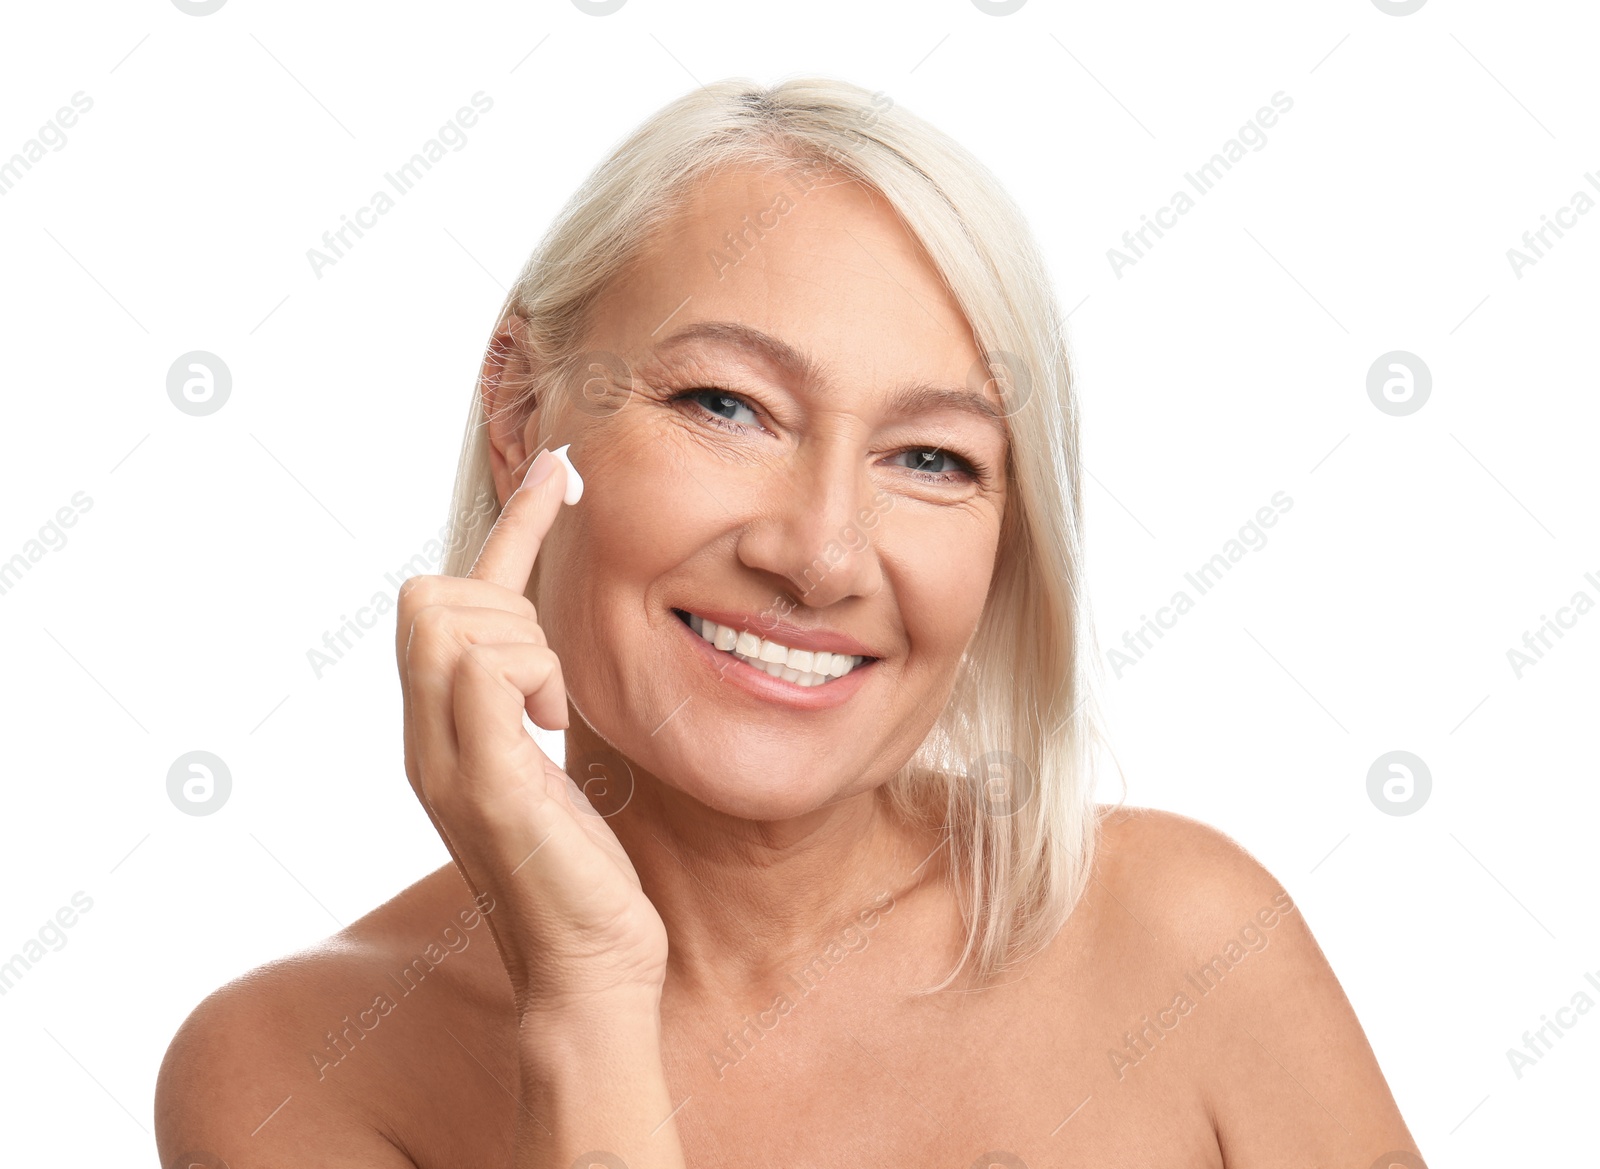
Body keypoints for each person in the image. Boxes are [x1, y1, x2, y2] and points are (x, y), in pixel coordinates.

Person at [155, 77, 1422, 1168]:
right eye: (725, 404)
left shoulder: (1189, 945)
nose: (819, 554)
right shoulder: (292, 1070)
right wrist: (587, 994)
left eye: (930, 458)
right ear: (521, 409)